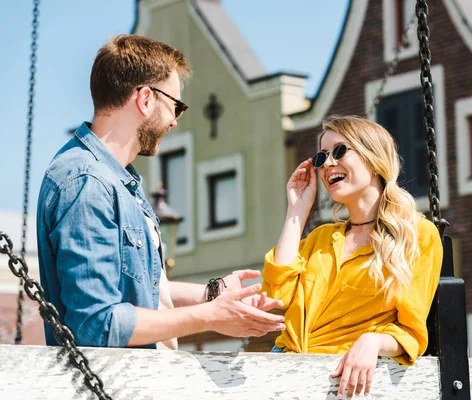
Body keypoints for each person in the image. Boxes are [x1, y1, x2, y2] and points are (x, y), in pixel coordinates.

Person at [36, 34, 285, 350]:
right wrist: (208, 316)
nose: (175, 122)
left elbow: (142, 288)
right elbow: (96, 324)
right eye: (176, 107)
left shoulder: (116, 180)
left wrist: (211, 295)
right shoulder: (88, 182)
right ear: (144, 99)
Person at [262, 115, 443, 398]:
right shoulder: (321, 238)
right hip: (286, 375)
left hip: (342, 384)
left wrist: (372, 342)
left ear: (372, 157)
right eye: (322, 157)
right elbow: (278, 295)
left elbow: (411, 332)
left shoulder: (417, 235)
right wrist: (297, 210)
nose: (328, 164)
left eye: (339, 151)